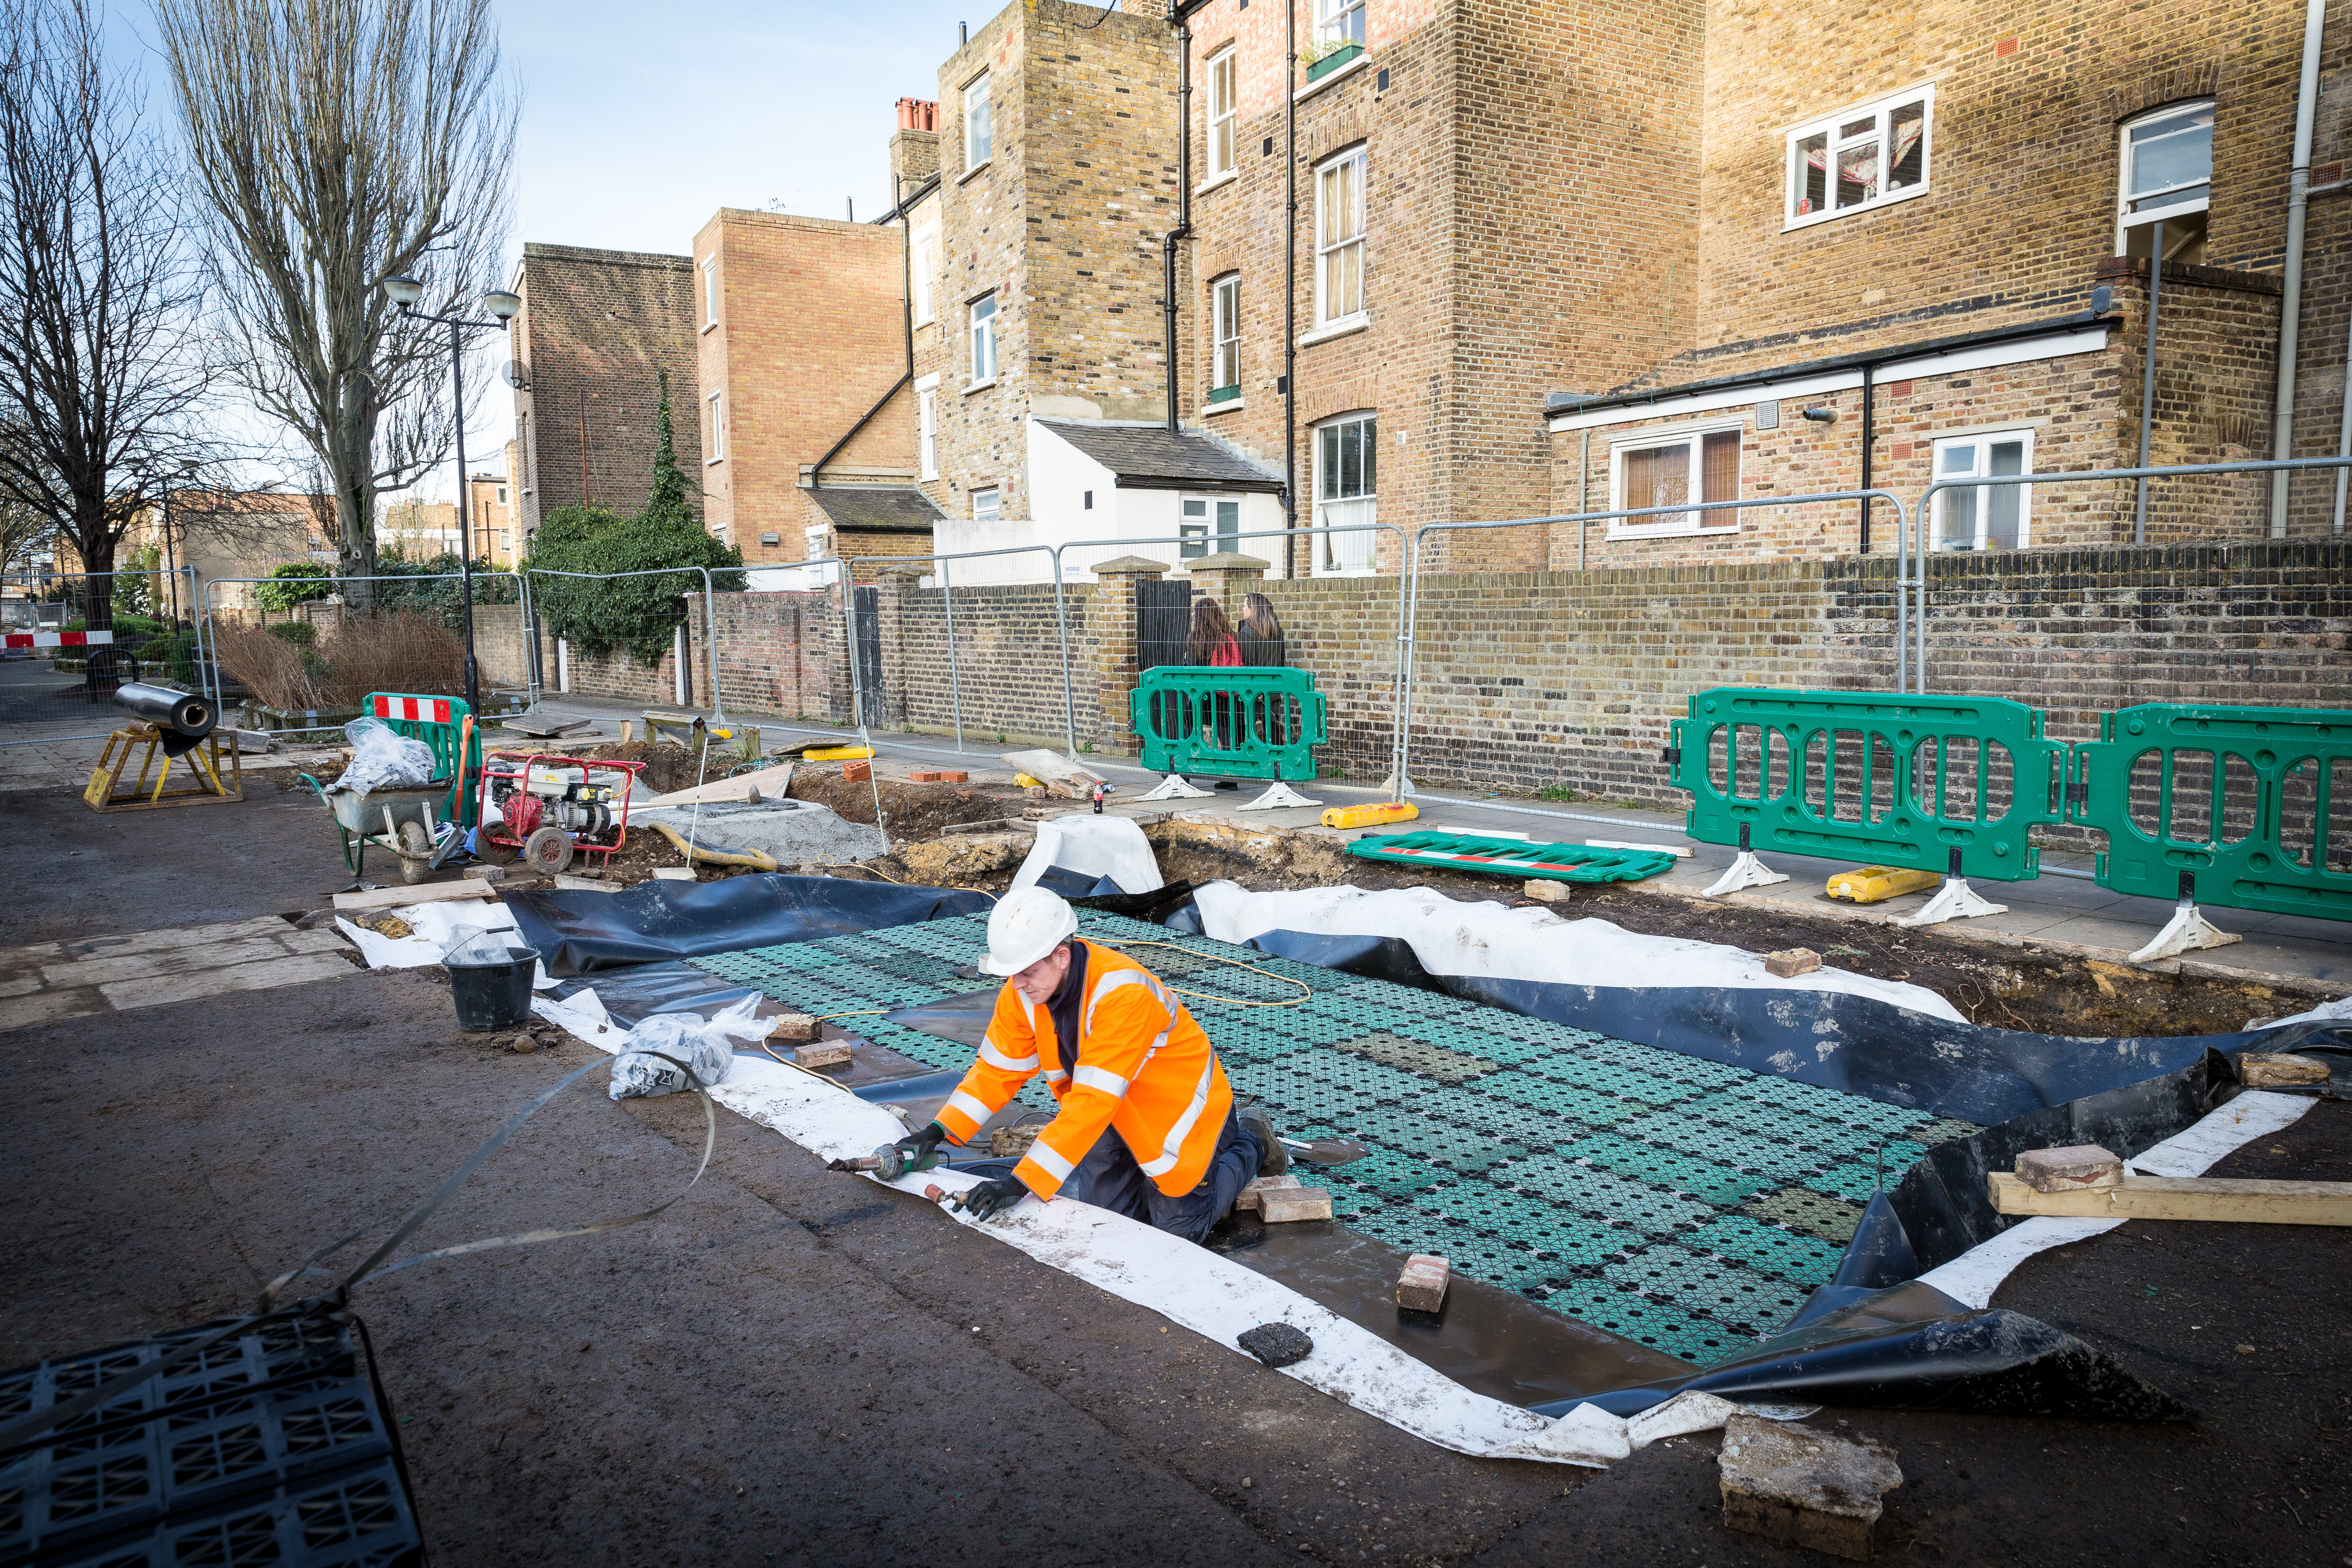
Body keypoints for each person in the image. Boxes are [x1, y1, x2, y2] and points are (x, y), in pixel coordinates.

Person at [883, 887, 1284, 1242]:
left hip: (1177, 1111)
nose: (1017, 984)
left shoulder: (1124, 994)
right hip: (1109, 1111)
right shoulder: (1024, 991)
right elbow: (996, 1071)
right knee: (1109, 1228)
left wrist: (1020, 1182)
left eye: (1026, 973)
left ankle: (1252, 1139)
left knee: (1176, 1234)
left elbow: (1094, 1100)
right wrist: (936, 1132)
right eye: (1012, 974)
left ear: (1061, 956)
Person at [1183, 597, 1243, 667]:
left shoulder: (1196, 640)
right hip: (1227, 673)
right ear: (1218, 614)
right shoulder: (1230, 637)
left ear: (1198, 618)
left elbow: (1191, 665)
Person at [1236, 593, 1286, 667]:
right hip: (1275, 674)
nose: (1243, 609)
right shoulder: (1277, 630)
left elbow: (1248, 664)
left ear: (1253, 609)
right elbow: (1282, 661)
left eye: (1245, 606)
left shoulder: (1247, 632)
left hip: (1256, 675)